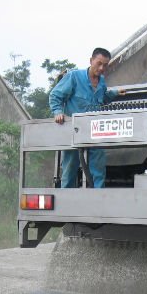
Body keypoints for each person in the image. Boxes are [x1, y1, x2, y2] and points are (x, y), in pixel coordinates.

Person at [49, 47, 125, 188]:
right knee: (70, 169)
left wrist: (115, 93)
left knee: (98, 168)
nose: (102, 68)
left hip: (95, 131)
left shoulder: (101, 82)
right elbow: (55, 95)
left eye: (105, 65)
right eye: (99, 63)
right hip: (75, 131)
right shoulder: (74, 77)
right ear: (91, 61)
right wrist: (58, 112)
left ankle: (97, 199)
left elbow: (102, 98)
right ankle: (66, 200)